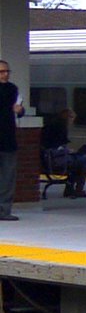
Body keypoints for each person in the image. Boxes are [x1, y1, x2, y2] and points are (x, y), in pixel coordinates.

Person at [40, 110, 86, 197]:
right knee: (83, 160)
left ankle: (72, 189)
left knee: (79, 159)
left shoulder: (53, 124)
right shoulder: (60, 127)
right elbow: (57, 146)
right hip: (54, 158)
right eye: (72, 118)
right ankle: (78, 189)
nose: (72, 121)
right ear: (67, 117)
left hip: (50, 156)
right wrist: (68, 151)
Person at [0, 62, 18, 221]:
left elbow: (16, 108)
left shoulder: (12, 88)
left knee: (7, 178)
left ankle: (4, 210)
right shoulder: (10, 90)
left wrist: (20, 110)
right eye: (1, 72)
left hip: (8, 139)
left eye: (7, 71)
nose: (5, 74)